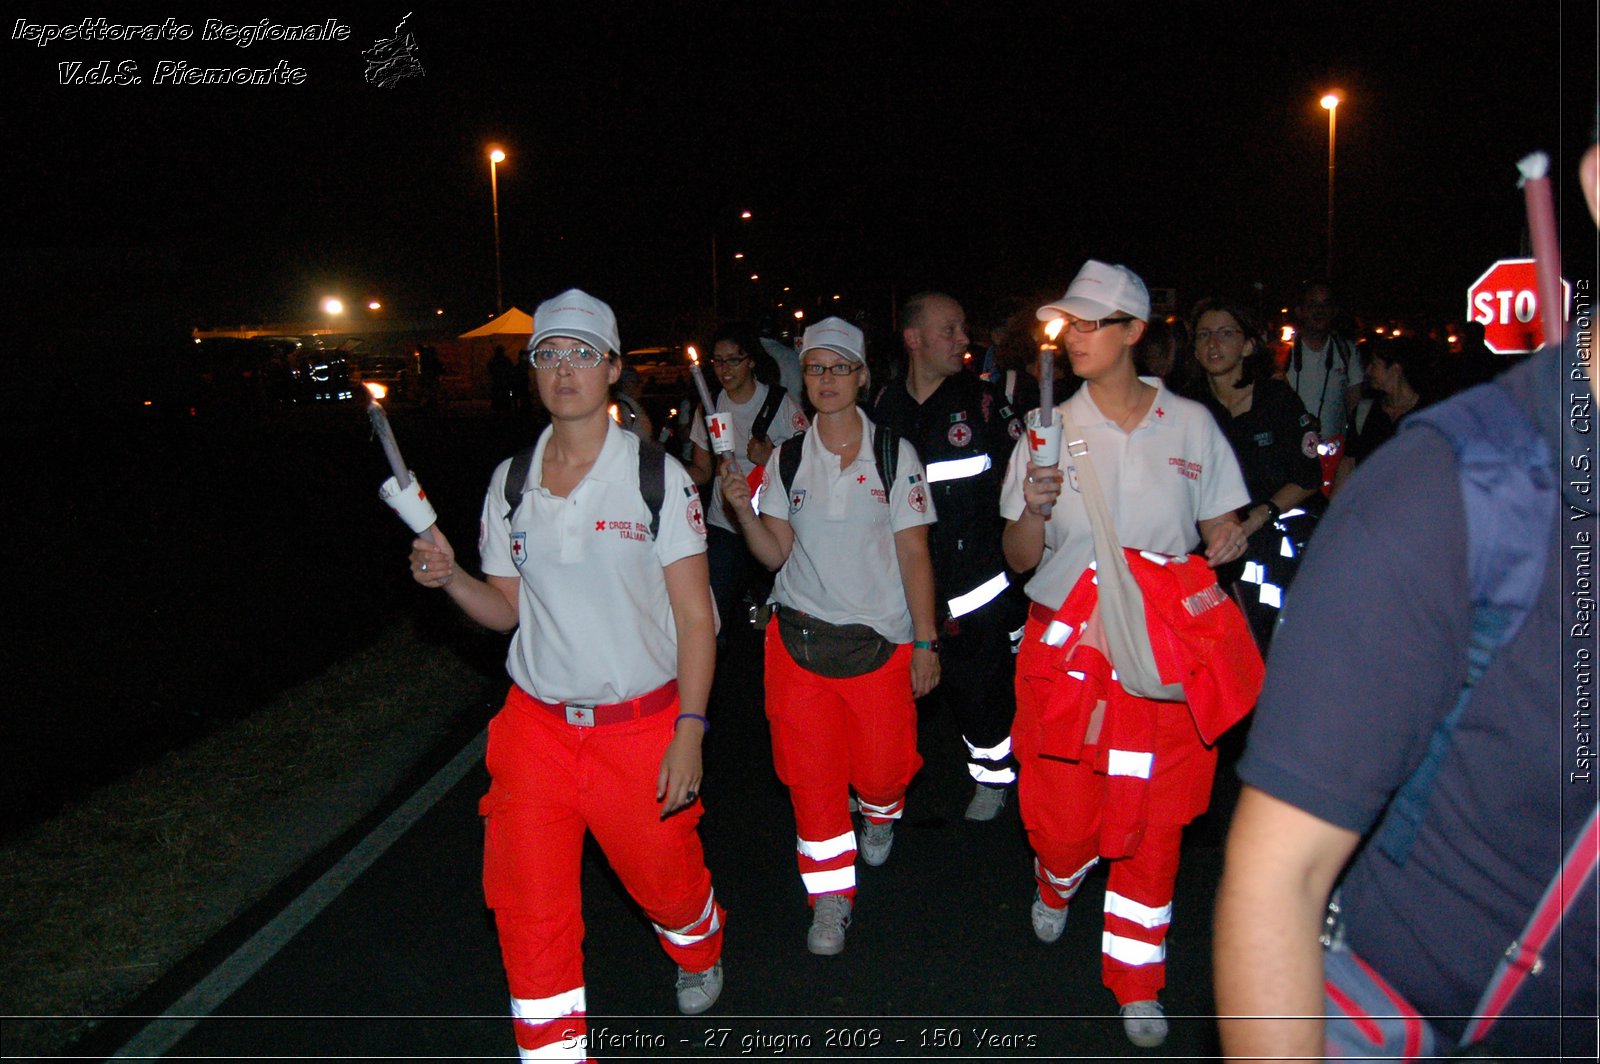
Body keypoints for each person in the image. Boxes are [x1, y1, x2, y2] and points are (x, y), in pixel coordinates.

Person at [1212, 139, 1600, 1063]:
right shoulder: (1453, 493)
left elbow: (1311, 453)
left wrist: (1287, 491)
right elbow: (1277, 878)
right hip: (1432, 1003)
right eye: (1209, 335)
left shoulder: (1306, 382)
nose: (1217, 347)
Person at [406, 289, 725, 1062]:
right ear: (533, 371)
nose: (565, 369)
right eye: (549, 353)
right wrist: (449, 579)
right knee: (529, 912)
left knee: (668, 886)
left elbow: (695, 619)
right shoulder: (511, 481)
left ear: (614, 369)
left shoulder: (658, 477)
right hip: (537, 730)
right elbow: (505, 610)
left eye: (584, 353)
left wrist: (690, 728)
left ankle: (698, 945)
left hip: (642, 728)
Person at [999, 260, 1252, 1048]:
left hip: (1160, 659)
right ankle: (1058, 875)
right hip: (1066, 654)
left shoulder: (1192, 427)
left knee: (1155, 828)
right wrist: (1034, 510)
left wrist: (1224, 536)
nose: (1073, 336)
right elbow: (1017, 557)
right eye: (1068, 323)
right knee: (1065, 823)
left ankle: (1138, 977)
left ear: (1134, 332)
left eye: (1091, 322)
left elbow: (1221, 527)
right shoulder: (1046, 430)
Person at [718, 316, 938, 957]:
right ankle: (830, 900)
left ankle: (879, 811)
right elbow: (772, 553)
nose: (827, 379)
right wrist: (742, 507)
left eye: (841, 367)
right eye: (816, 367)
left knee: (883, 774)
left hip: (881, 644)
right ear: (803, 376)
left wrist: (925, 642)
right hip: (798, 643)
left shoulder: (894, 454)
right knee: (811, 782)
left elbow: (915, 554)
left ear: (863, 376)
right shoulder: (788, 458)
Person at [869, 292, 1028, 821]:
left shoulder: (983, 404)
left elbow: (1022, 485)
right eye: (949, 329)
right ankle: (877, 789)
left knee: (980, 691)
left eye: (964, 329)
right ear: (913, 339)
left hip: (974, 586)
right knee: (887, 695)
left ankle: (992, 773)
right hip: (901, 586)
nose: (964, 340)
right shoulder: (884, 406)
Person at [1183, 296, 1321, 646]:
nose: (1213, 343)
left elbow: (1307, 476)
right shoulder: (1187, 406)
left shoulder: (1277, 399)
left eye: (1226, 333)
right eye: (1204, 335)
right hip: (1216, 545)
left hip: (1278, 535)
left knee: (1278, 639)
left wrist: (1258, 517)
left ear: (1247, 345)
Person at [687, 322, 809, 641]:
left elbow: (811, 465)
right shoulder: (710, 404)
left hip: (769, 525)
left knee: (774, 613)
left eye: (733, 359)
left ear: (751, 360)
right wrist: (662, 469)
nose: (724, 369)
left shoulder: (779, 404)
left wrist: (771, 457)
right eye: (717, 361)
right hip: (724, 523)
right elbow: (702, 470)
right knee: (713, 613)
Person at [1329, 334, 1437, 497]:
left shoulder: (1428, 416)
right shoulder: (1365, 412)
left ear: (1395, 369)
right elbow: (1348, 462)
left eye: (1374, 364)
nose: (1368, 370)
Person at [1284, 279, 1364, 443]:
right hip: (1288, 449)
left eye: (1326, 305)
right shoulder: (1282, 353)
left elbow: (1354, 406)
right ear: (1300, 311)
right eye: (1313, 304)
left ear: (1334, 311)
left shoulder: (1346, 351)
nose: (1319, 311)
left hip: (1332, 453)